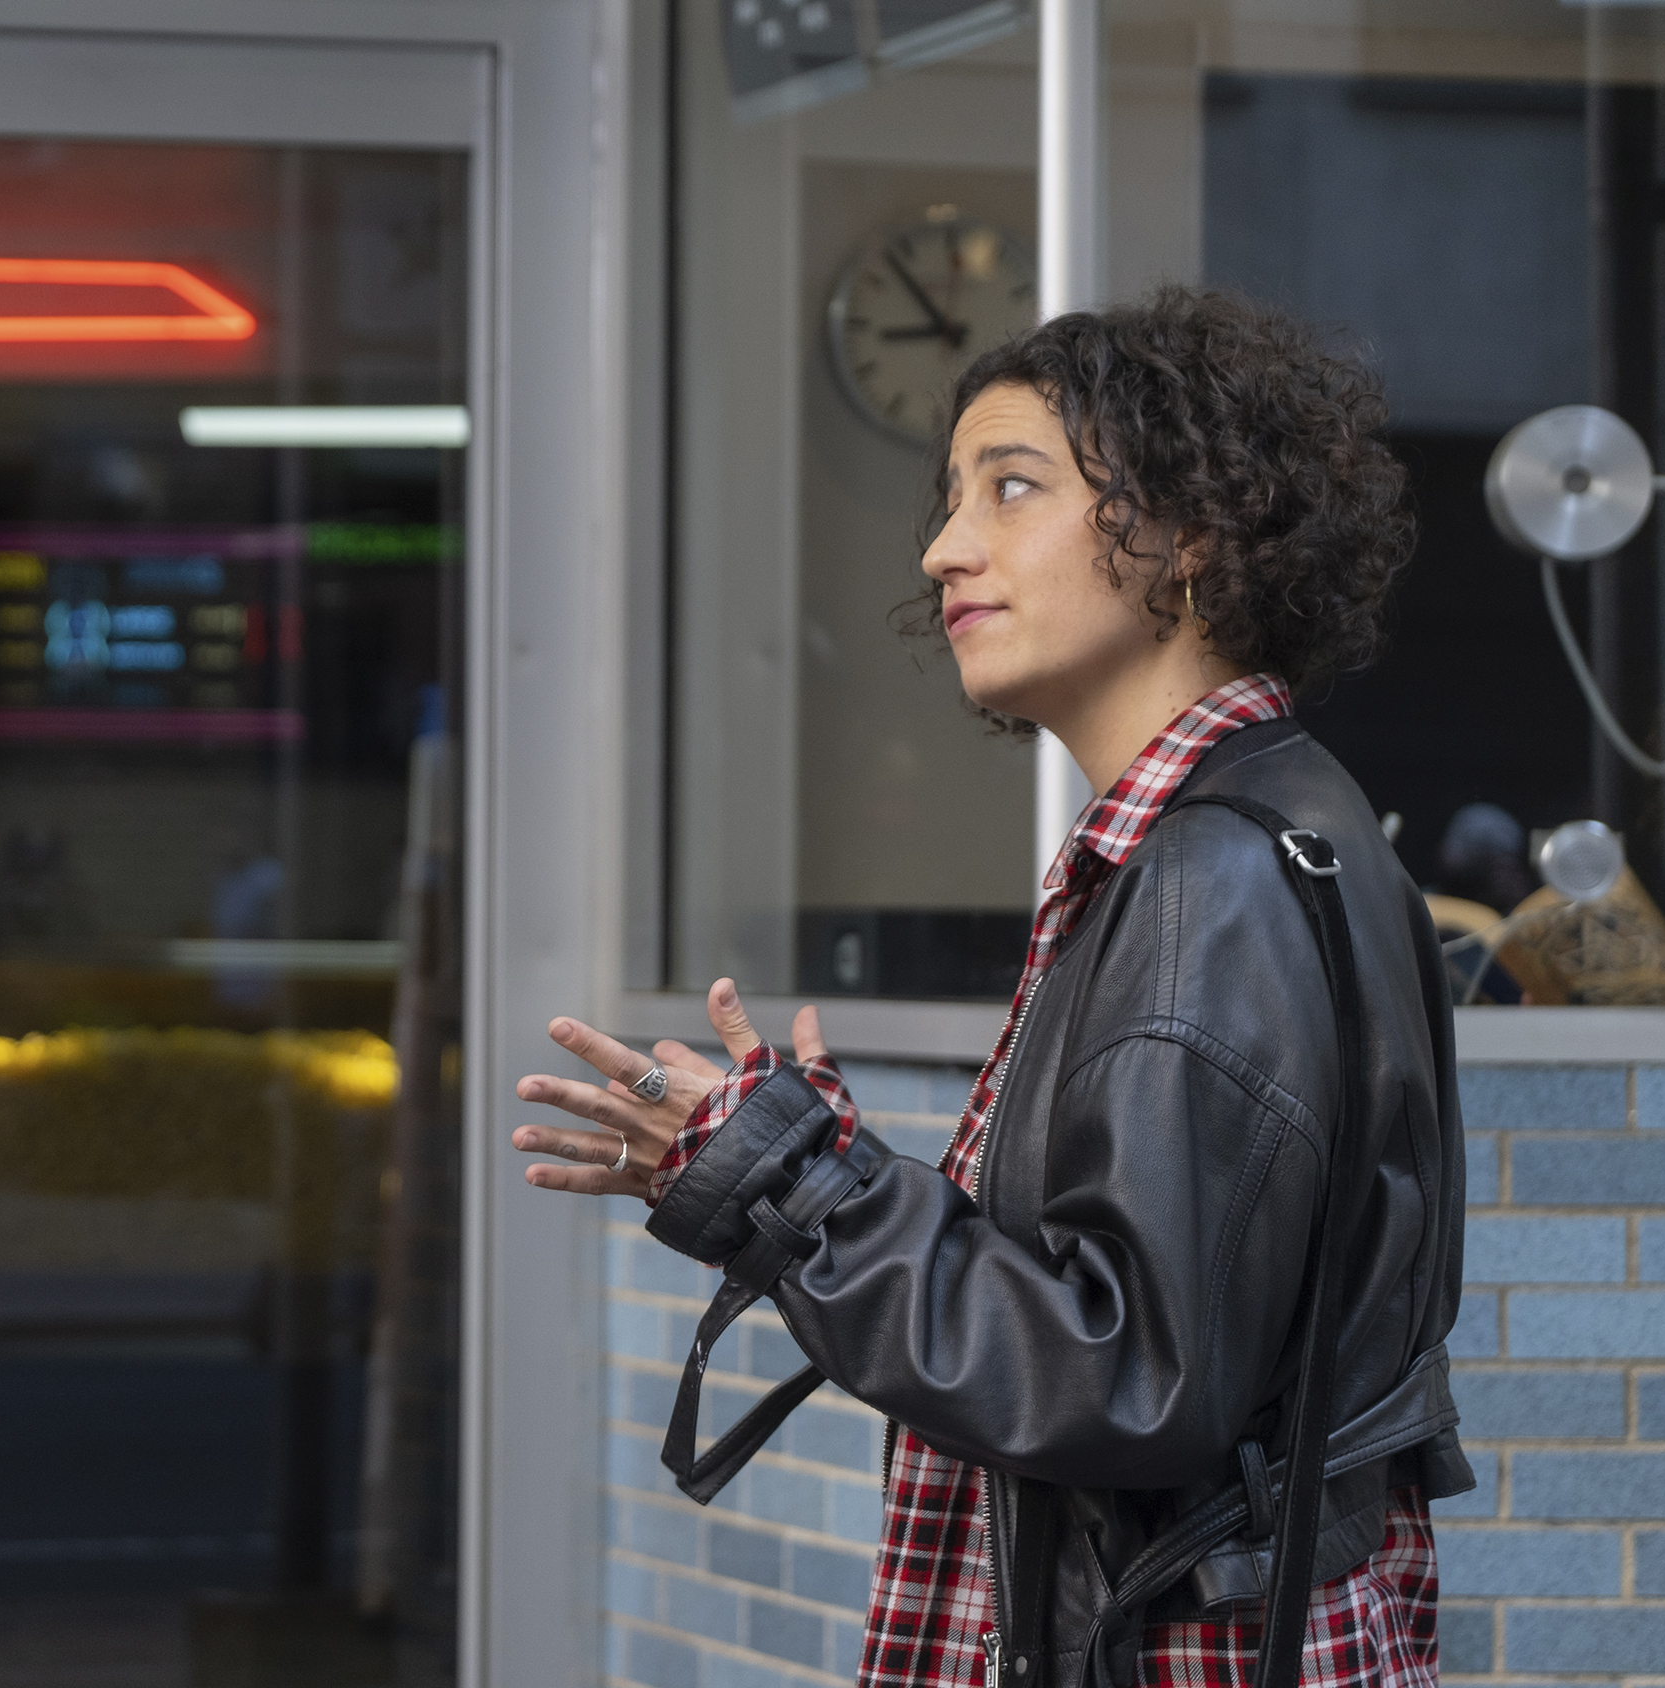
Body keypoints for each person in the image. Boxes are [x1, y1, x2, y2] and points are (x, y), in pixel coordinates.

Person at [513, 288, 1466, 1688]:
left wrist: (790, 1189)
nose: (946, 548)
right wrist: (818, 1162)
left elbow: (1126, 1373)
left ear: (1192, 532)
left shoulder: (1213, 872)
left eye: (1010, 488)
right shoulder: (1242, 827)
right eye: (950, 500)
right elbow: (1121, 1302)